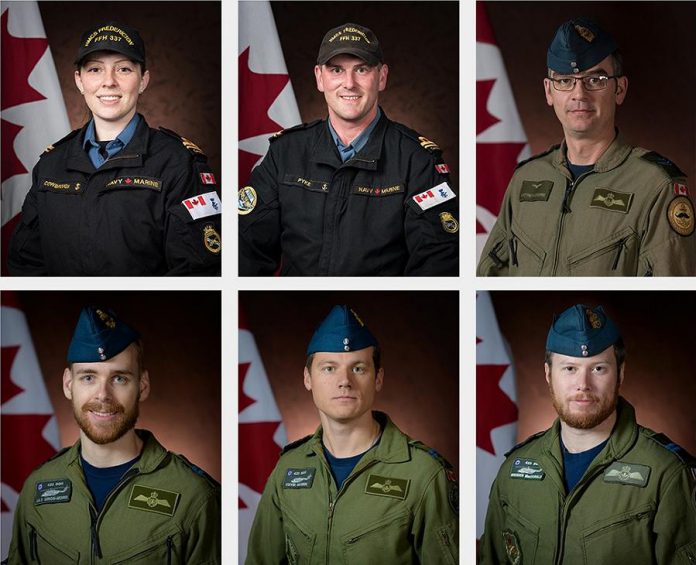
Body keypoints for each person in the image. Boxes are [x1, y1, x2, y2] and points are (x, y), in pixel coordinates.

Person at [477, 17, 696, 276]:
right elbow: (488, 282)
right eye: (565, 80)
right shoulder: (525, 178)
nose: (579, 94)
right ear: (549, 91)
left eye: (596, 79)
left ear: (620, 89)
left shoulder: (655, 186)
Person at [479, 304, 696, 564]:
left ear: (620, 374)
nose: (583, 384)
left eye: (598, 369)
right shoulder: (513, 471)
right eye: (569, 368)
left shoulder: (667, 475)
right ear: (548, 374)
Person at [239, 23, 458, 276]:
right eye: (337, 70)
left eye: (362, 69)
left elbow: (439, 263)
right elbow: (246, 250)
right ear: (320, 78)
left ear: (382, 76)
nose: (349, 83)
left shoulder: (417, 159)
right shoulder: (285, 152)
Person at [6, 306, 220, 564]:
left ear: (142, 386)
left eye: (119, 378)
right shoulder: (37, 488)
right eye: (88, 377)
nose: (103, 395)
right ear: (68, 384)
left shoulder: (194, 496)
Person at [245, 305, 459, 563]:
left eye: (358, 368)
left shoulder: (423, 474)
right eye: (329, 368)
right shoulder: (288, 468)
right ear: (307, 378)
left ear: (378, 378)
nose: (344, 380)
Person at [8, 21, 221, 276]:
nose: (108, 82)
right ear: (79, 80)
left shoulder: (179, 163)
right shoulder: (50, 164)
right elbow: (25, 265)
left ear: (143, 80)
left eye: (123, 69)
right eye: (95, 69)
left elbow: (198, 272)